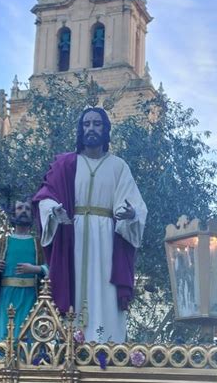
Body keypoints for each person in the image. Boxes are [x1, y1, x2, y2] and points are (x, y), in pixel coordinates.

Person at [33, 107, 147, 342]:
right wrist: (53, 209)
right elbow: (44, 196)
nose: (91, 129)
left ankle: (107, 346)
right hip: (72, 236)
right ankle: (69, 344)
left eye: (97, 124)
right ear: (80, 129)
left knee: (105, 289)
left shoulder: (118, 166)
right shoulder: (67, 163)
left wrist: (132, 214)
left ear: (105, 130)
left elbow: (136, 205)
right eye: (86, 124)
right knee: (72, 286)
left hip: (107, 239)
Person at [0, 197, 48, 340]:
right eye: (20, 208)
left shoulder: (38, 244)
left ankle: (27, 358)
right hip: (7, 296)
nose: (24, 211)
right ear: (13, 214)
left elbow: (52, 267)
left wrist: (36, 269)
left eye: (27, 208)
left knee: (28, 332)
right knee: (5, 332)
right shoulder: (3, 243)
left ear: (32, 214)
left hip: (31, 296)